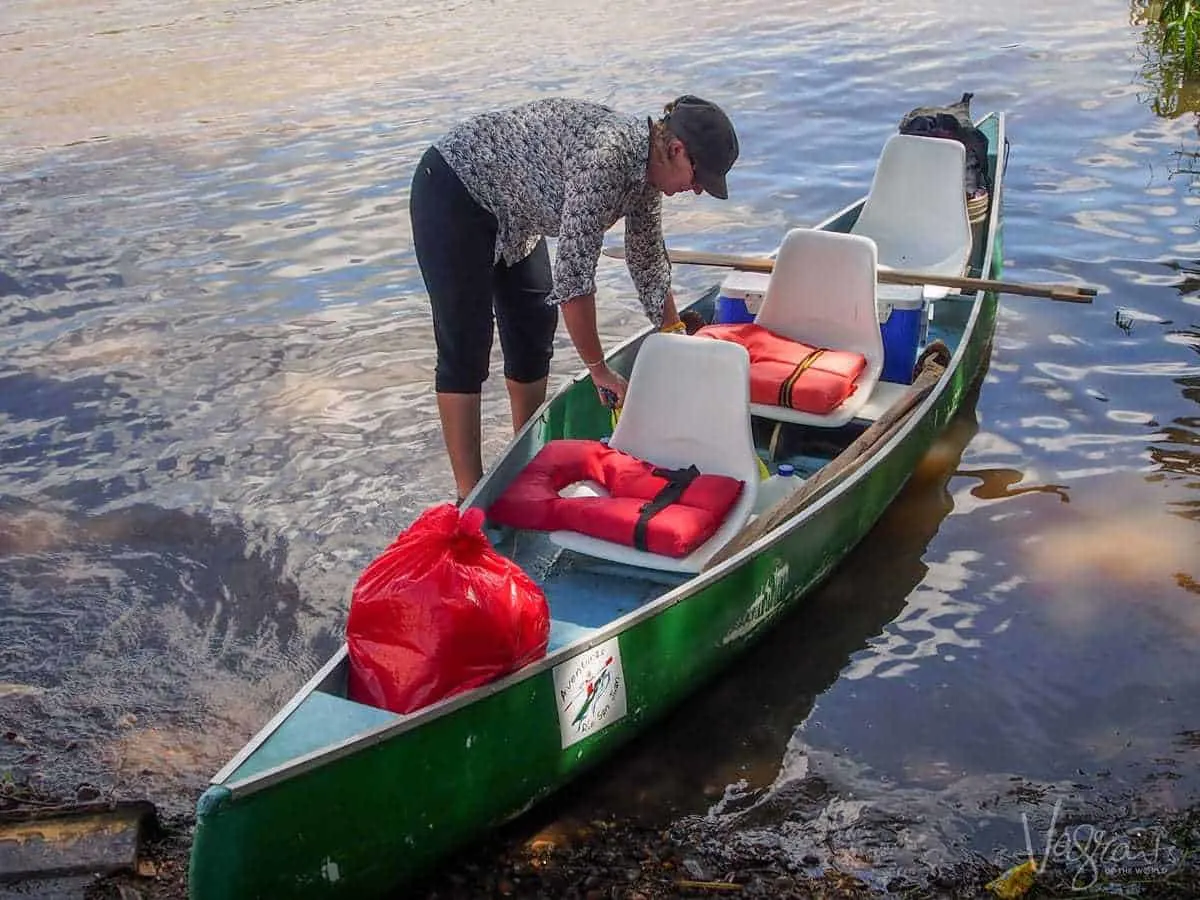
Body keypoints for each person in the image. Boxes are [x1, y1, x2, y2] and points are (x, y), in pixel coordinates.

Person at [409, 94, 740, 502]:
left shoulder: (647, 176)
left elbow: (647, 257)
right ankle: (470, 495)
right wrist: (599, 369)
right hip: (456, 190)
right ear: (675, 150)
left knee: (533, 330)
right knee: (467, 342)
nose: (697, 191)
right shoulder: (607, 160)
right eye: (698, 178)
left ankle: (522, 461)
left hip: (518, 209)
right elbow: (574, 280)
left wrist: (673, 332)